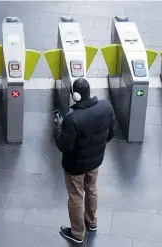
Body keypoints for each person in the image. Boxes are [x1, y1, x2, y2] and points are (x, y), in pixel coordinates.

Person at [53, 78, 115, 244]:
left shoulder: (71, 119)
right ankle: (92, 222)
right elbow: (111, 134)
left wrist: (59, 127)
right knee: (92, 188)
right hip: (95, 162)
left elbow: (63, 145)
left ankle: (78, 233)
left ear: (76, 96)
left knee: (76, 196)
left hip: (75, 166)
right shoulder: (106, 107)